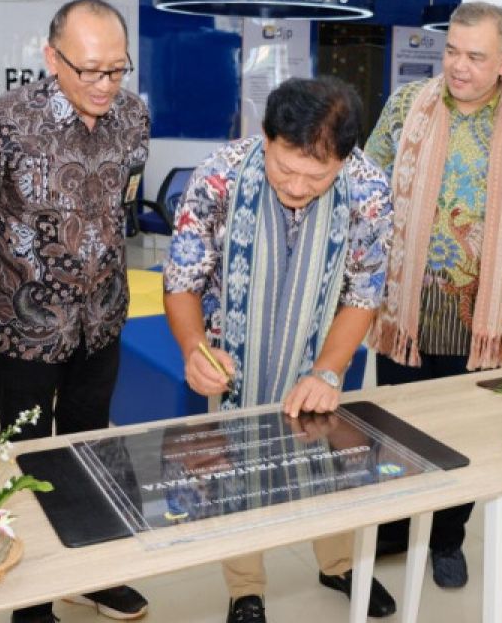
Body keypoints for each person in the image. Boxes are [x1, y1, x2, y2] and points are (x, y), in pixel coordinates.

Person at [364, 0, 502, 588]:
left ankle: (447, 537)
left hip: (481, 315)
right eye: (451, 52)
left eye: (475, 56)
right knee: (396, 422)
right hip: (402, 306)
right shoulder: (407, 105)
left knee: (464, 430)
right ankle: (396, 523)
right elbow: (366, 182)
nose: (458, 67)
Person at [163, 76, 397, 623]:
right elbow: (182, 281)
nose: (295, 186)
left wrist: (330, 373)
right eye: (284, 167)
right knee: (233, 463)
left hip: (322, 349)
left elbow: (364, 293)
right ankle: (246, 587)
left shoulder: (368, 189)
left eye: (316, 177)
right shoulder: (218, 177)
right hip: (234, 358)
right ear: (266, 138)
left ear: (344, 159)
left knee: (333, 460)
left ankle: (339, 563)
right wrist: (196, 350)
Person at [0, 0, 151, 622]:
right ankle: (32, 598)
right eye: (89, 70)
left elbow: (123, 208)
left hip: (103, 320)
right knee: (26, 459)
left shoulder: (133, 118)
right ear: (51, 57)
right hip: (22, 330)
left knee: (93, 445)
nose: (104, 86)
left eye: (116, 70)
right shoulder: (3, 122)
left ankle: (94, 573)